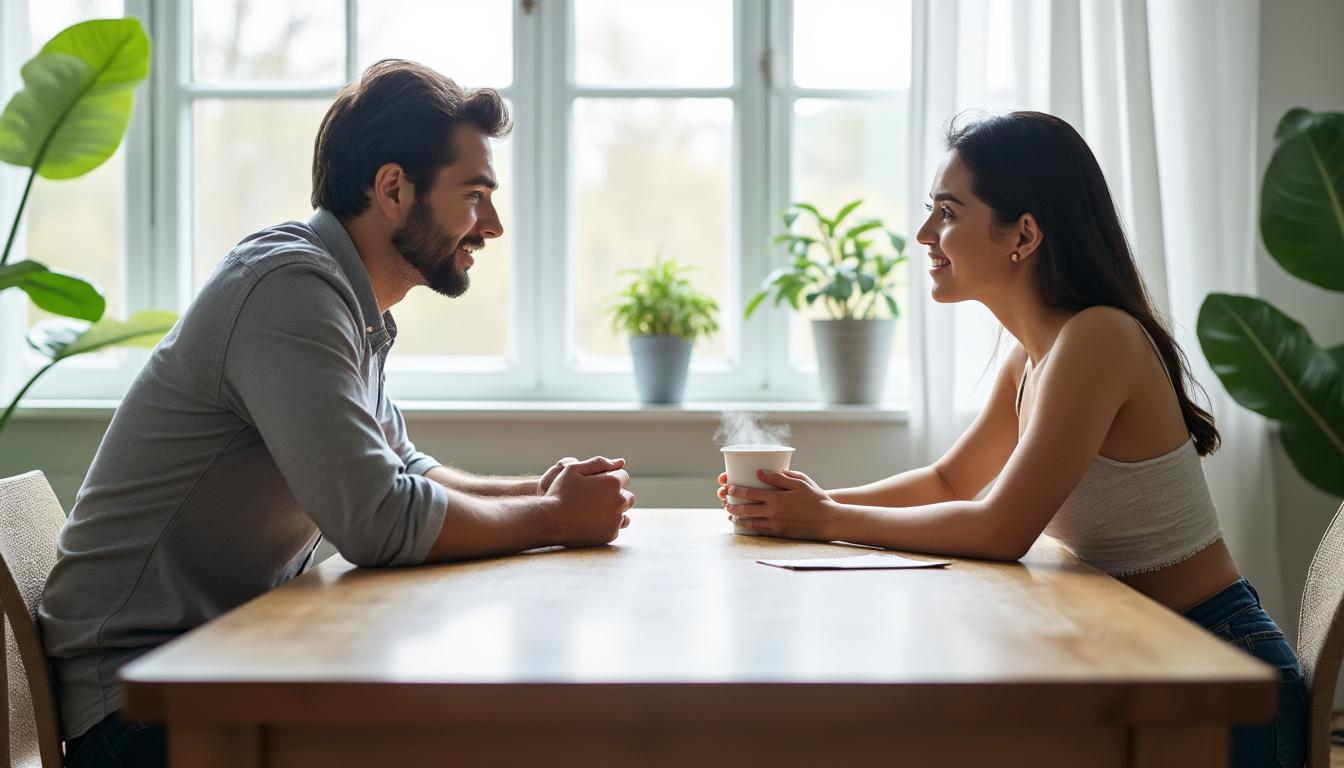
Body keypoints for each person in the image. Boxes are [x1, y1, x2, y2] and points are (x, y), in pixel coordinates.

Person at [41, 59, 635, 768]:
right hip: (142, 714)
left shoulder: (347, 303)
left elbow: (404, 470)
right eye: (474, 195)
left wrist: (539, 492)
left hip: (216, 672)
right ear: (392, 189)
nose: (494, 225)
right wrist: (557, 519)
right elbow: (377, 518)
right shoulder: (288, 289)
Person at [718, 111, 1306, 768]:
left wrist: (825, 519)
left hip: (1219, 673)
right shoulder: (1033, 356)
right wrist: (803, 505)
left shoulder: (1097, 338)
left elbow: (1002, 529)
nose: (922, 235)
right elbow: (948, 481)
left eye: (947, 213)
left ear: (1022, 234)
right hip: (1150, 659)